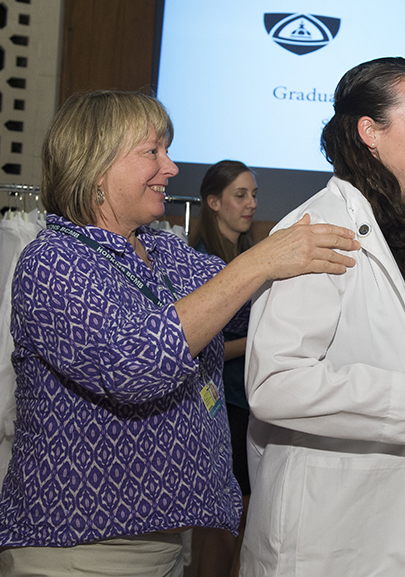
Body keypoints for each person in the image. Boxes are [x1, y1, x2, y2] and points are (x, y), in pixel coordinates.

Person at [0, 90, 360, 577]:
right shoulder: (54, 260)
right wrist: (256, 262)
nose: (171, 168)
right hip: (73, 551)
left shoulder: (166, 254)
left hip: (162, 546)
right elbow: (132, 367)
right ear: (96, 166)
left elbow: (261, 312)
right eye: (152, 152)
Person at [240, 58, 405, 577]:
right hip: (325, 536)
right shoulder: (319, 229)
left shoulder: (395, 233)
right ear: (370, 131)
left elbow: (390, 350)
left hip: (378, 522)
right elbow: (276, 383)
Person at [187, 160, 258, 577]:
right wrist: (257, 342)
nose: (250, 204)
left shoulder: (249, 255)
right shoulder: (198, 263)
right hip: (219, 404)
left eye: (253, 195)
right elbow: (198, 347)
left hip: (250, 400)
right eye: (240, 195)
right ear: (213, 202)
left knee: (243, 517)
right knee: (223, 521)